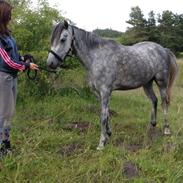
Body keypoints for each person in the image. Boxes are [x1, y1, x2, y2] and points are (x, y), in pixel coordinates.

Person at [0, 0, 38, 156]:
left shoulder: (7, 33)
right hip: (3, 77)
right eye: (10, 13)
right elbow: (6, 60)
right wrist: (26, 66)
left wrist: (23, 58)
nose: (11, 16)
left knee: (9, 112)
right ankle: (1, 148)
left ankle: (6, 144)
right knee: (3, 113)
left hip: (12, 77)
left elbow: (13, 56)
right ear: (3, 15)